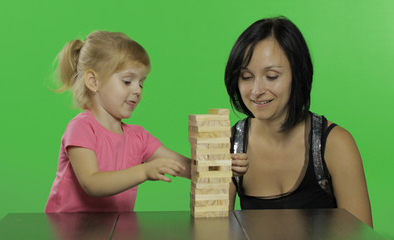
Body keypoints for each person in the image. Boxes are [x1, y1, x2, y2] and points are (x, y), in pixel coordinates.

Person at [224, 16, 373, 227]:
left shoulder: (335, 144)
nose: (256, 91)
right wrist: (215, 179)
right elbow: (212, 232)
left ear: (298, 75)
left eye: (272, 76)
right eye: (246, 77)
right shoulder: (229, 143)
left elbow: (362, 235)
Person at [45, 31, 190, 213]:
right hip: (70, 230)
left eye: (141, 83)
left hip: (114, 229)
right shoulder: (81, 128)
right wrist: (144, 171)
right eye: (127, 81)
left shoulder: (139, 137)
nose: (137, 90)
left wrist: (222, 166)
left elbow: (185, 167)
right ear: (93, 81)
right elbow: (92, 183)